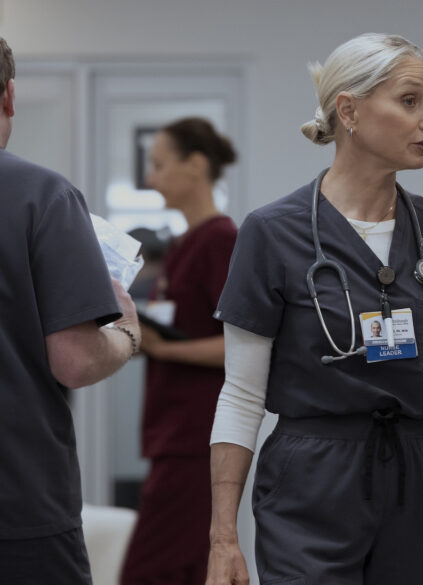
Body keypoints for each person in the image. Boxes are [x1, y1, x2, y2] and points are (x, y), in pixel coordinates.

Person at [204, 33, 423, 585]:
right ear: (348, 110)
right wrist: (223, 537)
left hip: (419, 473)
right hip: (313, 473)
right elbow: (242, 395)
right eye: (410, 100)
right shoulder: (273, 233)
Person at [0, 36, 140, 584]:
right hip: (17, 503)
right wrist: (127, 333)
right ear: (9, 96)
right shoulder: (40, 196)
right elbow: (76, 361)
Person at [119, 118, 239, 585]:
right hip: (172, 435)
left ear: (195, 165)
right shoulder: (182, 245)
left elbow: (241, 347)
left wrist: (163, 350)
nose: (150, 179)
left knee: (150, 571)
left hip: (197, 441)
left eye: (159, 165)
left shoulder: (220, 241)